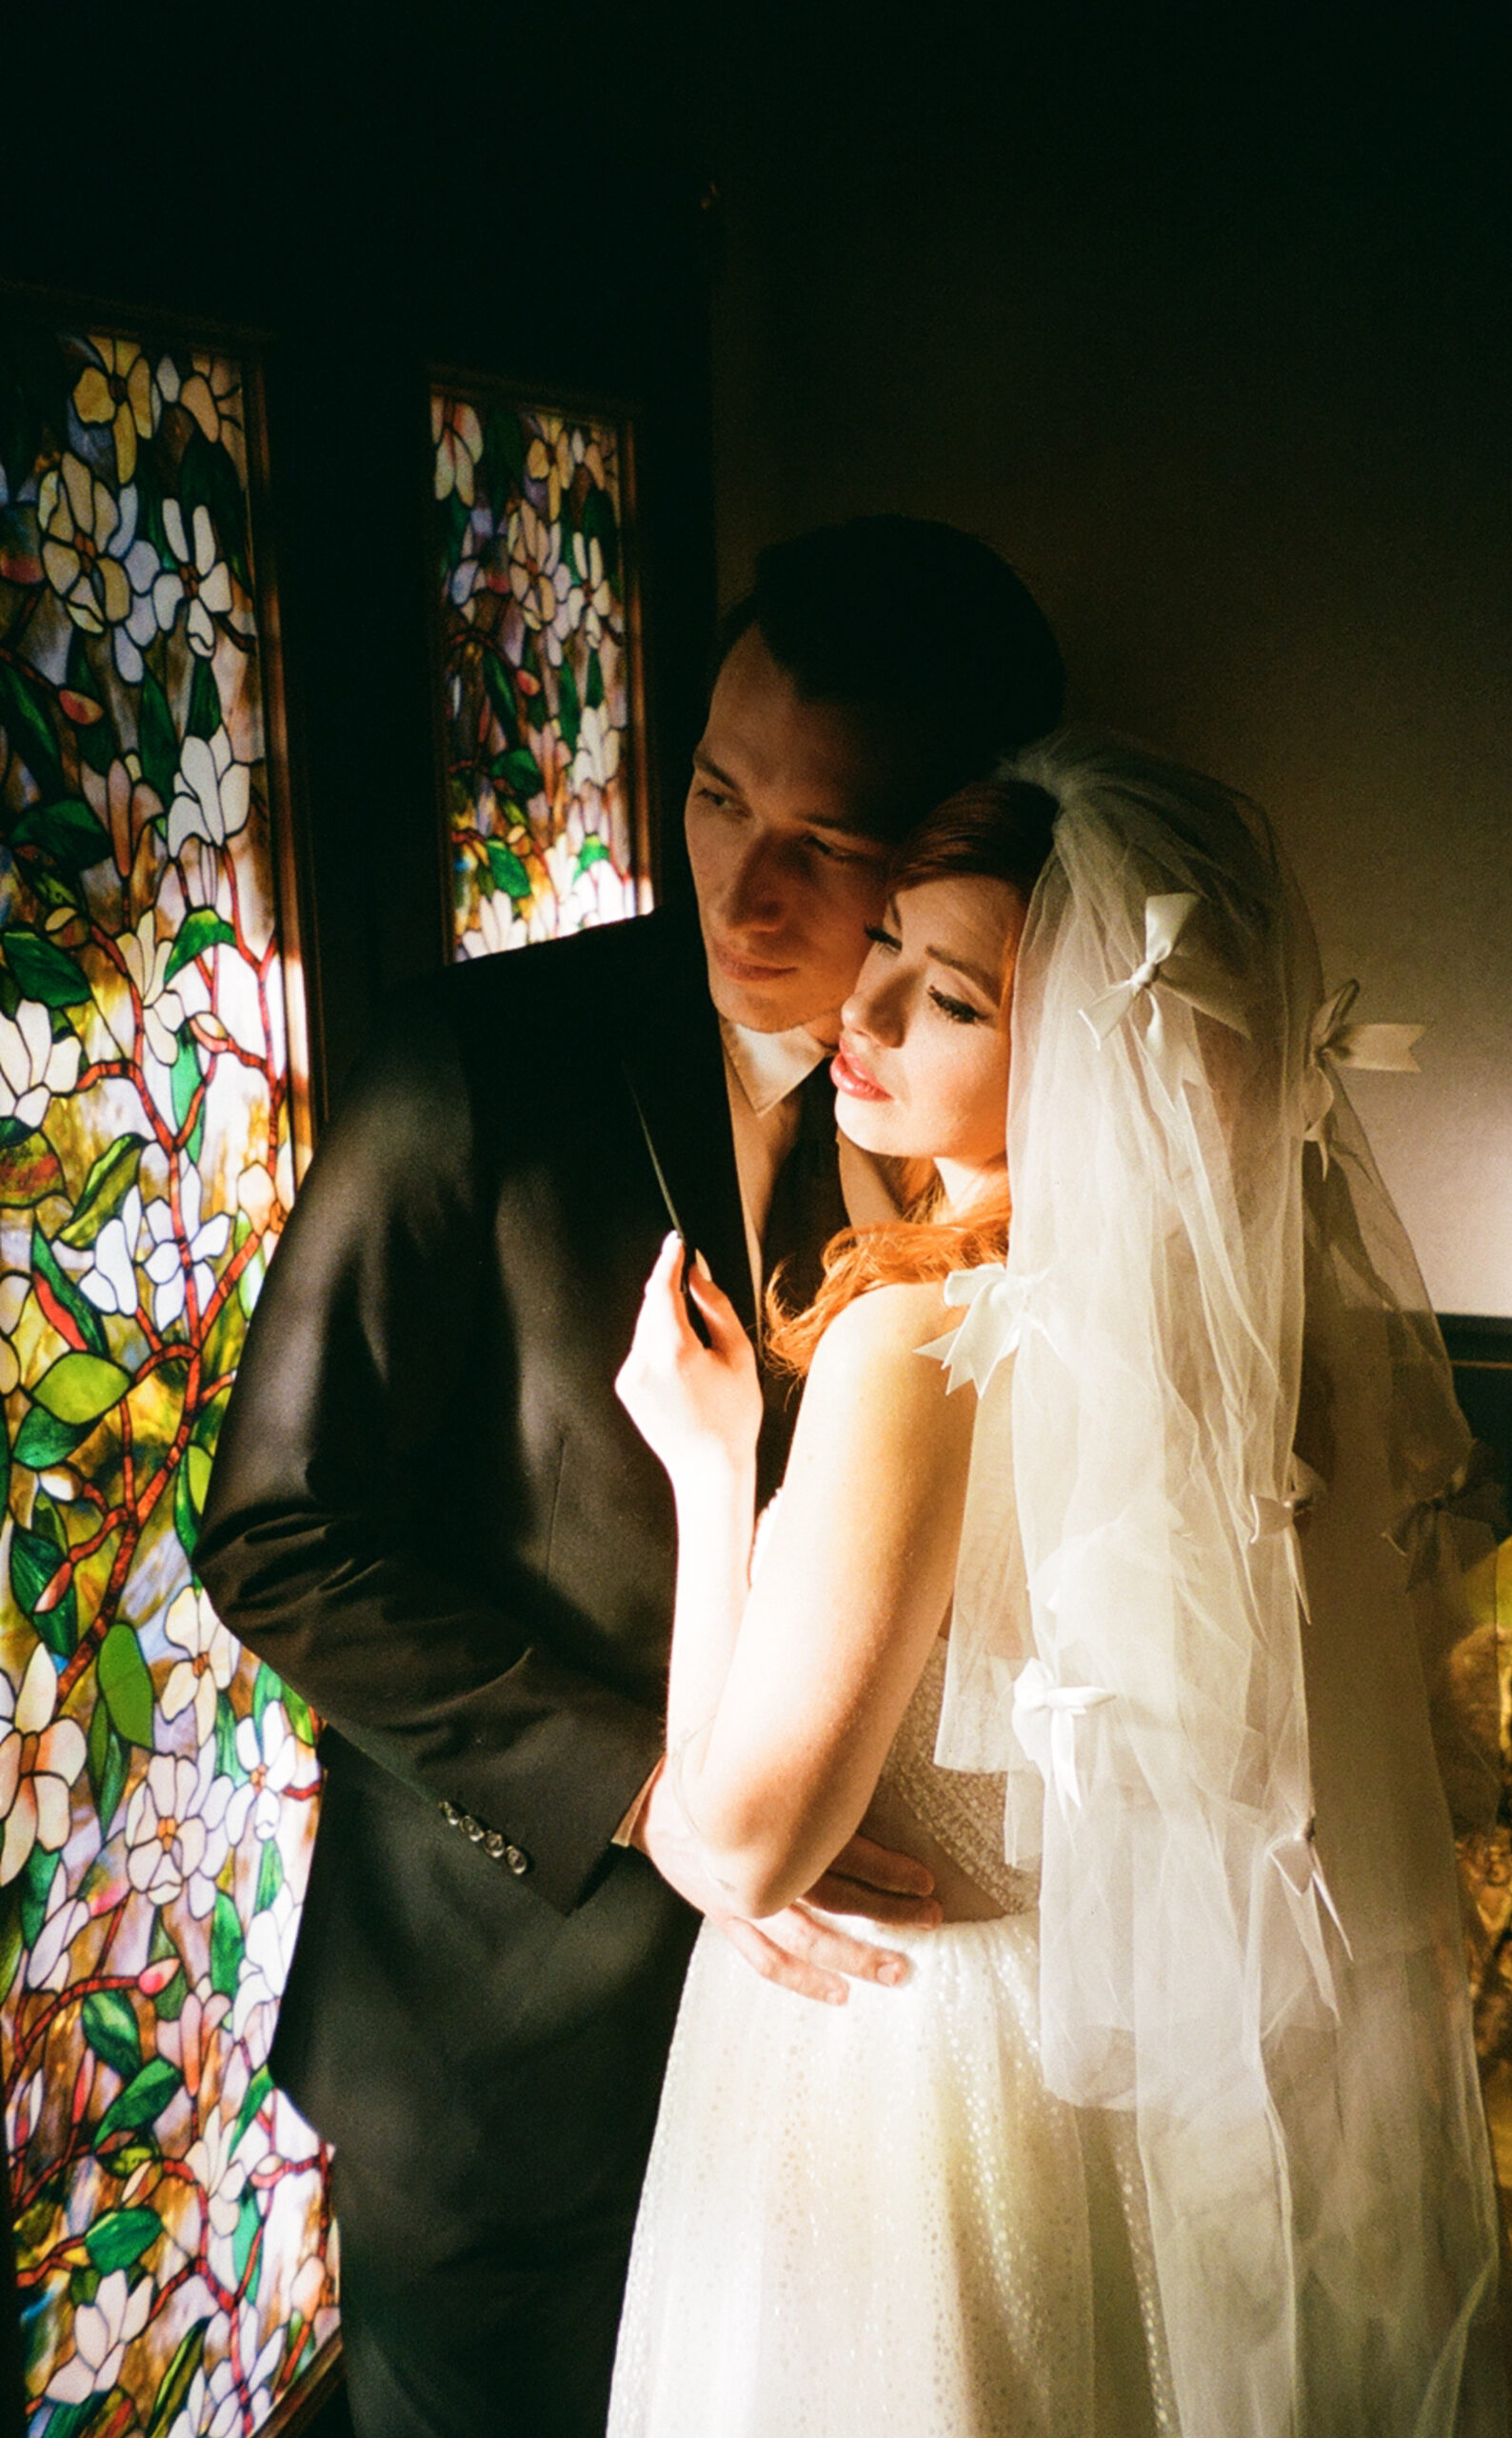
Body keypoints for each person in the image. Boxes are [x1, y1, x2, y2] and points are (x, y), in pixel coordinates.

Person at [193, 517, 1066, 2438]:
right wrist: (654, 1791)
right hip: (502, 2041)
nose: (743, 887)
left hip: (861, 2085)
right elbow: (274, 1533)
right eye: (713, 795)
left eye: (828, 844)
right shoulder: (472, 1062)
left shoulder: (1026, 1140)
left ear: (955, 842)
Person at [607, 744, 1507, 2436]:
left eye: (946, 1000)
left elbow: (740, 1845)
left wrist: (710, 1468)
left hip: (902, 2088)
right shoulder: (1241, 1351)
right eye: (882, 952)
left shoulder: (916, 1344)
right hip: (1112, 2081)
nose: (859, 1020)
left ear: (1101, 1049)